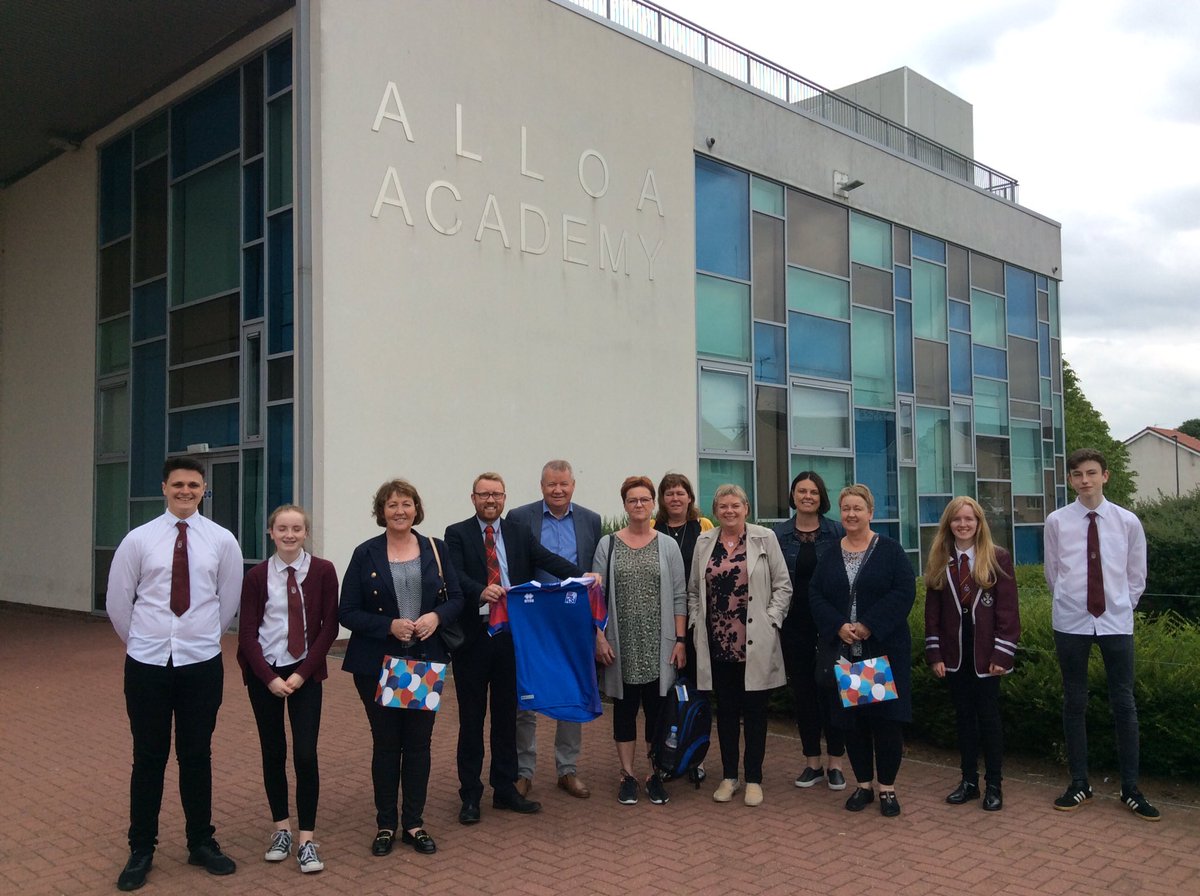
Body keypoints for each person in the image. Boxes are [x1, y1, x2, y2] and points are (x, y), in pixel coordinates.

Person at [106, 456, 244, 891]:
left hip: (200, 665)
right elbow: (118, 602)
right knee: (148, 757)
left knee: (196, 754)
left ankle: (201, 841)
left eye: (194, 484)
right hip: (147, 665)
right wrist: (146, 643)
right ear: (164, 487)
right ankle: (141, 848)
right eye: (178, 484)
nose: (186, 491)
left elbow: (228, 601)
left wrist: (196, 639)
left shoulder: (222, 540)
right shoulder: (138, 540)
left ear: (205, 489)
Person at [444, 472, 584, 825]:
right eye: (484, 495)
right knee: (472, 720)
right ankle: (470, 795)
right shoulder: (456, 533)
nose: (490, 501)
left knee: (507, 718)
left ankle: (504, 789)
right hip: (473, 639)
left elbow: (549, 560)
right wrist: (480, 589)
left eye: (497, 495)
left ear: (504, 498)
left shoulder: (519, 532)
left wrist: (584, 577)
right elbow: (453, 574)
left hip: (511, 638)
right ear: (473, 498)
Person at [339, 479, 465, 856]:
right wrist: (387, 625)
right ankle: (384, 825)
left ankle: (413, 822)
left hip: (422, 662)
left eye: (406, 504)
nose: (399, 511)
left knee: (418, 745)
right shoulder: (366, 554)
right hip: (378, 663)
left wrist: (436, 617)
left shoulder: (435, 549)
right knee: (386, 744)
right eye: (391, 504)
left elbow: (457, 597)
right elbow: (347, 611)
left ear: (416, 509)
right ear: (381, 511)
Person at [1044, 448, 1158, 820]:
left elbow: (1136, 574)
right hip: (1072, 621)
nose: (1085, 480)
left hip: (1115, 622)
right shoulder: (1057, 521)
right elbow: (1052, 571)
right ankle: (1080, 783)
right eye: (1077, 474)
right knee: (1074, 702)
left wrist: (1122, 604)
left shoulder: (1127, 522)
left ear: (1105, 476)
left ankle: (1131, 788)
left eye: (1091, 473)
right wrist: (1067, 599)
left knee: (1124, 703)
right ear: (1071, 479)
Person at [236, 505, 340, 872]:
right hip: (266, 671)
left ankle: (307, 839)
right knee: (273, 751)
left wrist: (301, 674)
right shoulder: (256, 576)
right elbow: (247, 631)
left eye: (296, 528)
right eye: (282, 528)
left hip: (305, 673)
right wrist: (268, 677)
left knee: (305, 754)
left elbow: (329, 627)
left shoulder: (324, 571)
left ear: (306, 532)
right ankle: (281, 828)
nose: (289, 534)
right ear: (271, 533)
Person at [809, 484, 915, 818]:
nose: (851, 515)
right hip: (847, 652)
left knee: (885, 723)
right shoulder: (830, 553)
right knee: (853, 724)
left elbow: (903, 591)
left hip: (880, 650)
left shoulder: (890, 550)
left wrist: (869, 624)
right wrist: (838, 624)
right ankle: (864, 785)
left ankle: (887, 788)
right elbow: (815, 594)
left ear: (870, 512)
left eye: (858, 508)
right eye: (846, 509)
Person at [689, 483, 791, 807]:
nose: (729, 511)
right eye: (723, 507)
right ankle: (729, 776)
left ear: (746, 507)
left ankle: (755, 778)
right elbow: (694, 591)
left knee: (756, 713)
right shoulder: (704, 541)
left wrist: (771, 620)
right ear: (715, 511)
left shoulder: (765, 538)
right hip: (718, 643)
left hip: (755, 642)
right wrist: (695, 623)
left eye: (735, 505)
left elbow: (783, 585)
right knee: (727, 712)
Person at [506, 459, 602, 800]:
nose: (557, 490)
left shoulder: (591, 520)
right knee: (527, 695)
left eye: (563, 484)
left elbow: (593, 573)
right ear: (541, 486)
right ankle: (524, 771)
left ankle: (567, 769)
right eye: (551, 485)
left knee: (572, 690)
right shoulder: (519, 518)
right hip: (532, 620)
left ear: (573, 485)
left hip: (573, 621)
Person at [592, 476, 687, 806]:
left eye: (645, 500)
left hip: (658, 644)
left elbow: (679, 595)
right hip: (622, 644)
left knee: (658, 712)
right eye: (633, 500)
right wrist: (600, 637)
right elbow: (596, 597)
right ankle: (628, 775)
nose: (639, 505)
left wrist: (679, 640)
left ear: (653, 504)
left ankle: (655, 773)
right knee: (624, 710)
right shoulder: (608, 545)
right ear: (625, 505)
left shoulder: (668, 545)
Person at [923, 496, 1020, 812]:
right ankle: (968, 782)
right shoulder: (941, 558)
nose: (963, 524)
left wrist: (1003, 654)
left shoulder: (998, 558)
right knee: (963, 720)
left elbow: (1008, 610)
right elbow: (932, 611)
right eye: (956, 519)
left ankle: (994, 785)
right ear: (948, 524)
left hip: (986, 655)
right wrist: (935, 653)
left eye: (969, 519)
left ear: (979, 523)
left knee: (989, 720)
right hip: (954, 654)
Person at [772, 471, 847, 791]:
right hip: (794, 626)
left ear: (821, 497)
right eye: (801, 491)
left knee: (836, 692)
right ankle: (812, 762)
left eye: (813, 492)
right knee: (803, 694)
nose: (807, 496)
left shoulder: (837, 531)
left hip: (833, 625)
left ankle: (836, 763)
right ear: (793, 495)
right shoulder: (778, 535)